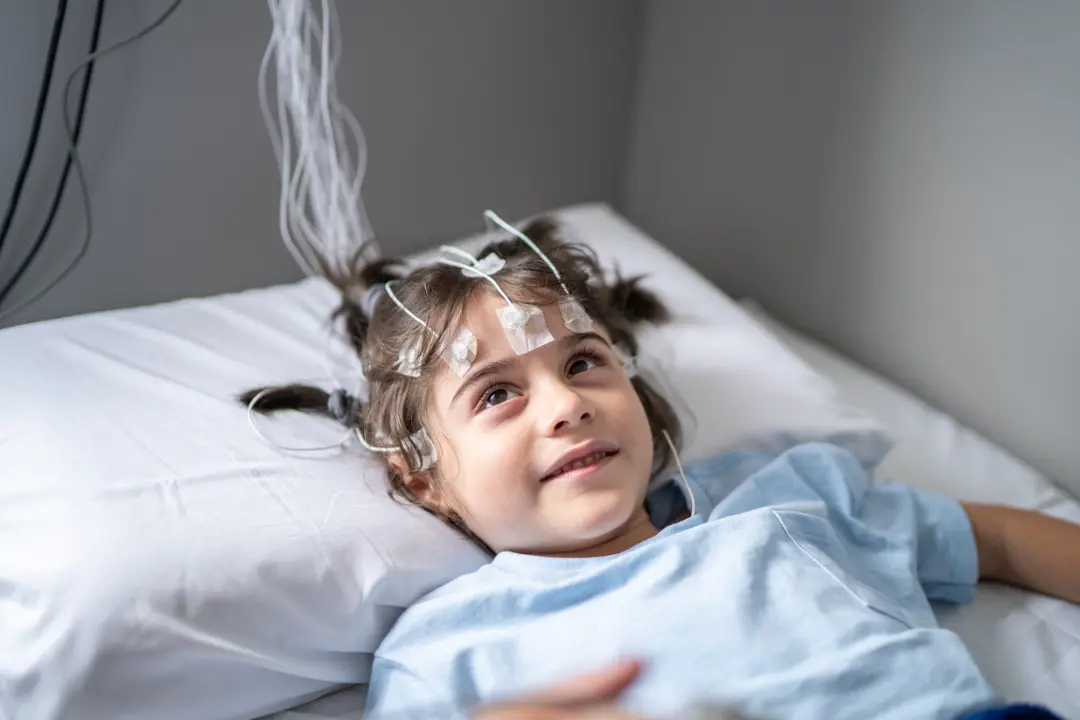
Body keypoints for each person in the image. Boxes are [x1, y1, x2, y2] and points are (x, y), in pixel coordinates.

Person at [243, 217, 1080, 720]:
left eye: (582, 364)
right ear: (424, 480)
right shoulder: (446, 647)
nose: (565, 406)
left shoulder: (787, 502)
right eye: (496, 395)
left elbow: (997, 539)